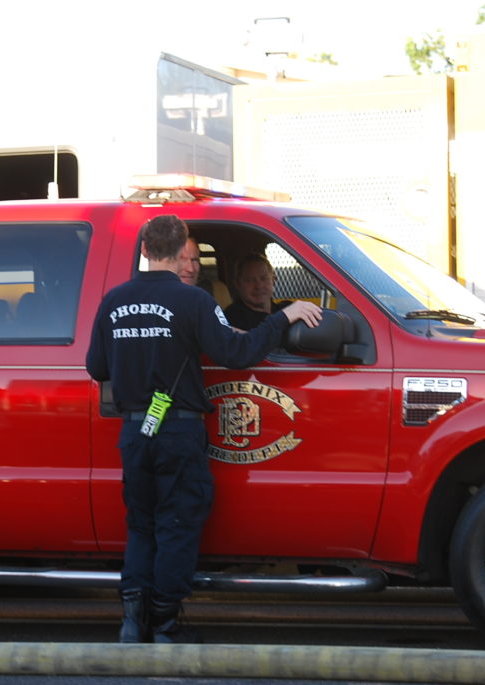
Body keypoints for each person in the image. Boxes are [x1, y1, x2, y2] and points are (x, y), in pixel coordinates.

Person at [85, 215, 322, 644]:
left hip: (135, 431)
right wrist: (284, 317)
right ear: (181, 253)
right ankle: (165, 623)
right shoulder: (193, 301)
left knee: (141, 526)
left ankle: (132, 621)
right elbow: (238, 352)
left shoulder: (113, 301)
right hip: (178, 431)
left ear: (144, 250)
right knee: (177, 524)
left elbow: (97, 367)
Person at [223, 253, 289, 330]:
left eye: (264, 278)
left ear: (273, 280)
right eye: (250, 280)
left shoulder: (287, 309)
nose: (259, 286)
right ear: (237, 284)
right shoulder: (230, 319)